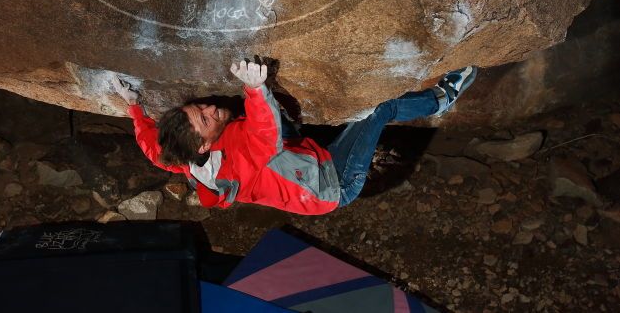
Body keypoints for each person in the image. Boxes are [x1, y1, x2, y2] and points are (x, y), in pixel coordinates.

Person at [112, 60, 477, 215]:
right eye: (206, 118)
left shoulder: (184, 158)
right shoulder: (239, 158)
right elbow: (265, 137)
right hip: (333, 184)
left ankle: (291, 124)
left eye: (198, 107)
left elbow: (151, 147)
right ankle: (441, 100)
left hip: (306, 161)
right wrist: (256, 90)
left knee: (260, 117)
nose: (209, 107)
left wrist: (133, 106)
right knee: (378, 111)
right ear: (205, 145)